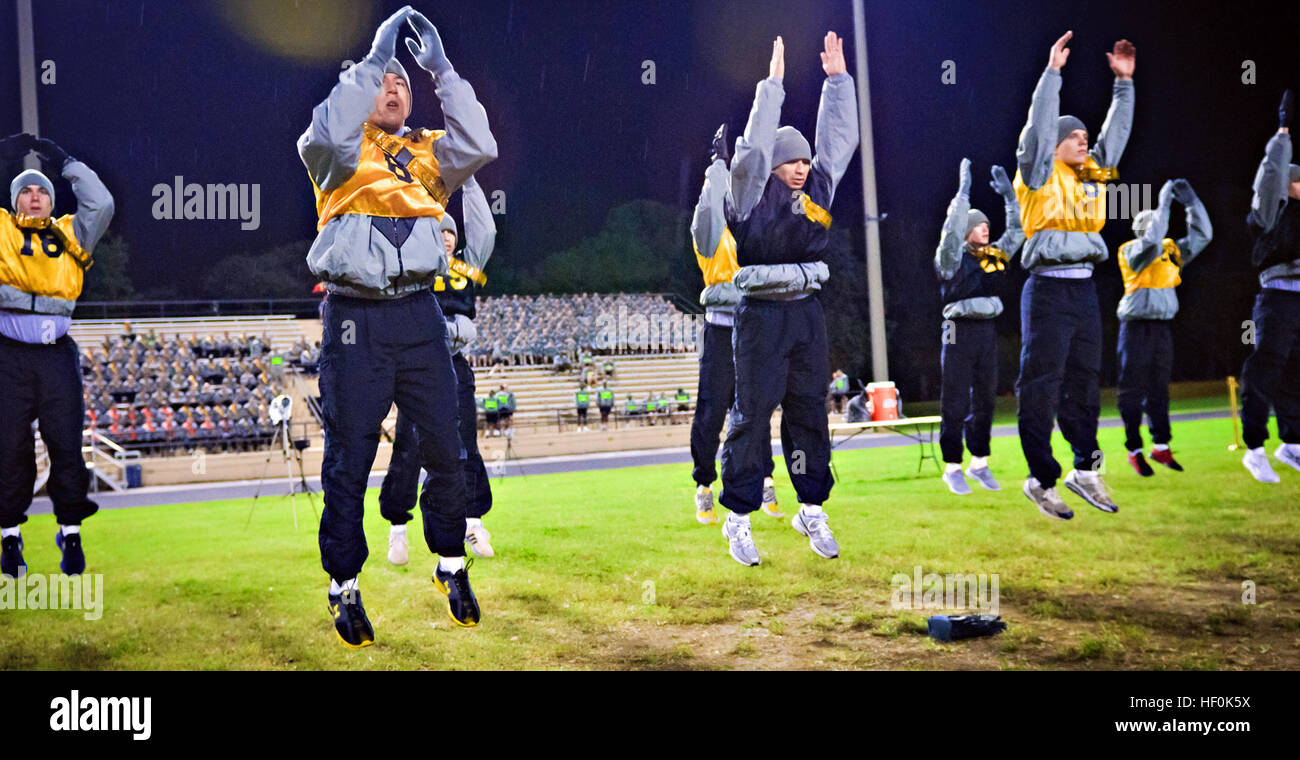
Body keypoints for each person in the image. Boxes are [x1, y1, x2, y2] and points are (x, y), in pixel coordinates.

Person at [297, 6, 497, 645]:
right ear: (359, 86)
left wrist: (440, 69)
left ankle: (450, 563)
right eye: (381, 79)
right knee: (349, 458)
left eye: (401, 81)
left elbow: (481, 144)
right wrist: (374, 56)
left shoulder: (429, 155)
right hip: (355, 316)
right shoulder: (339, 150)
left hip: (418, 313)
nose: (392, 85)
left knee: (447, 447)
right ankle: (344, 585)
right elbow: (322, 133)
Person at [716, 33, 858, 566]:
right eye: (791, 160)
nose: (801, 166)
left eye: (804, 159)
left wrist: (838, 83)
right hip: (761, 315)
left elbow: (839, 141)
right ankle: (738, 517)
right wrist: (772, 87)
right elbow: (750, 150)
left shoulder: (817, 191)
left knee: (809, 413)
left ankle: (812, 508)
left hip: (806, 313)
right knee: (752, 415)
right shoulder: (749, 193)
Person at [1012, 32, 1133, 520]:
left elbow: (1115, 138)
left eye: (1086, 137)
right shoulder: (1038, 172)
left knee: (1085, 383)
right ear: (1053, 145)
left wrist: (1123, 85)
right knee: (1041, 384)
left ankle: (1085, 469)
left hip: (1084, 288)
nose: (1085, 141)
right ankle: (1041, 478)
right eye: (1075, 137)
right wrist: (1052, 75)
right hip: (1046, 288)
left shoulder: (1091, 176)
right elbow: (1039, 126)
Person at [0, 133, 114, 579]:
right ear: (14, 200)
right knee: (8, 451)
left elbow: (101, 203)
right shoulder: (3, 229)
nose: (34, 197)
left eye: (41, 190)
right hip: (8, 356)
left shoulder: (71, 232)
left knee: (67, 447)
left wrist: (65, 161)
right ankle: (9, 536)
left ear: (51, 200)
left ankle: (70, 532)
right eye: (25, 191)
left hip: (55, 356)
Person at [380, 174, 498, 566]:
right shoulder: (418, 268)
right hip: (419, 368)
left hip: (456, 368)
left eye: (451, 232)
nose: (447, 237)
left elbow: (484, 231)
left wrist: (471, 183)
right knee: (410, 447)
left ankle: (472, 521)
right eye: (440, 230)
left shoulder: (466, 269)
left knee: (465, 444)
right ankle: (398, 528)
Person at [688, 126, 784, 525]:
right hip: (720, 330)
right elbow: (709, 206)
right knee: (712, 412)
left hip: (752, 329)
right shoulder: (711, 234)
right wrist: (717, 165)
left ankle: (763, 481)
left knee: (755, 411)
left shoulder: (749, 228)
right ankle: (704, 485)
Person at [933, 158, 1024, 495]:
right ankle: (952, 466)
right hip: (956, 329)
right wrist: (963, 196)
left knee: (985, 397)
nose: (986, 228)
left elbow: (1017, 234)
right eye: (978, 224)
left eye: (987, 224)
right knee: (955, 397)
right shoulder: (951, 257)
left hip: (985, 329)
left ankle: (979, 462)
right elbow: (949, 234)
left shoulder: (992, 256)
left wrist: (1010, 198)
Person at [1116, 178, 1211, 476]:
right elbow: (1151, 240)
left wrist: (1192, 202)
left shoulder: (1170, 251)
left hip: (1161, 329)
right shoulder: (1131, 250)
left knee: (1159, 390)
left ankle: (1161, 447)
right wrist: (1164, 203)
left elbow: (1202, 235)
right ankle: (1134, 449)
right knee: (1132, 391)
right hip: (1135, 327)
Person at [1239, 90, 1300, 483]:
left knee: (1296, 370)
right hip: (1277, 296)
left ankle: (1292, 442)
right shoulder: (1270, 210)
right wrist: (1283, 131)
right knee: (1267, 366)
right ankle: (1255, 447)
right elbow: (1270, 173)